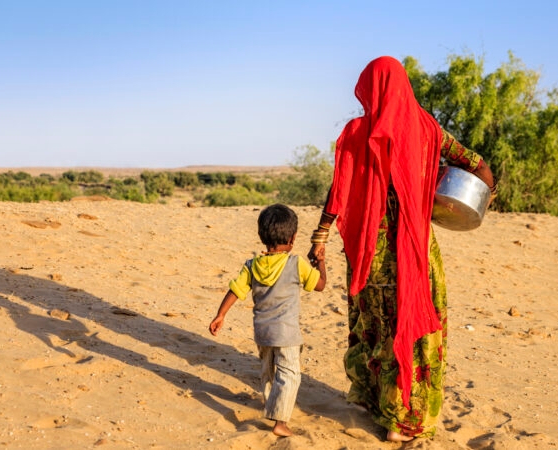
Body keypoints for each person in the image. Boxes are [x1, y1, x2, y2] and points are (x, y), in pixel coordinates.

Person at [307, 56, 497, 442]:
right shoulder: (428, 129)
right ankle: (405, 422)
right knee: (415, 329)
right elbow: (479, 167)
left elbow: (338, 192)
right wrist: (476, 201)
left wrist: (321, 237)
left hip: (369, 254)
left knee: (373, 325)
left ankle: (369, 398)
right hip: (415, 252)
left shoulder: (357, 131)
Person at [209, 203, 327, 437]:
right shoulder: (296, 264)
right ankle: (280, 421)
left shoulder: (252, 266)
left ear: (262, 236)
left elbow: (235, 290)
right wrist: (320, 262)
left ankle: (270, 404)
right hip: (287, 334)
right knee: (289, 374)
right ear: (293, 238)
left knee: (268, 372)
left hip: (262, 333)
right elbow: (320, 285)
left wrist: (220, 314)